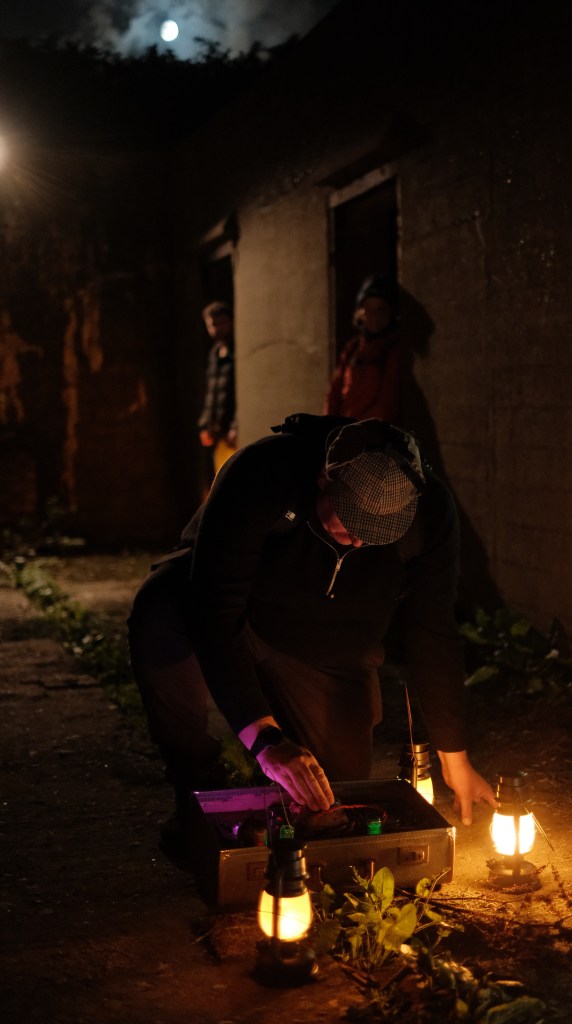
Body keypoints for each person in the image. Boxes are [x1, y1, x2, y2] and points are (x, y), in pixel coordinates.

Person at [128, 413, 496, 835]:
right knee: (161, 607)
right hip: (240, 608)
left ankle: (277, 784)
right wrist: (266, 739)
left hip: (327, 649)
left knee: (334, 796)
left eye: (377, 531)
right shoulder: (262, 473)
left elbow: (433, 631)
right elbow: (215, 611)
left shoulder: (431, 512)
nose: (360, 540)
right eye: (351, 520)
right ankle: (198, 786)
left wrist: (456, 757)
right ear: (324, 478)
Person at [324, 274, 402, 423]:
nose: (374, 316)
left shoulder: (393, 348)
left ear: (391, 313)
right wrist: (327, 427)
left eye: (381, 310)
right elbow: (334, 393)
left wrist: (358, 433)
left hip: (368, 437)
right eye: (368, 309)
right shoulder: (352, 348)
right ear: (361, 312)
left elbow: (388, 402)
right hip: (343, 434)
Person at [197, 300, 237, 497]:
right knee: (220, 481)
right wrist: (206, 424)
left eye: (220, 323)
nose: (215, 329)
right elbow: (211, 392)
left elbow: (239, 389)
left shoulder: (238, 351)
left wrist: (236, 425)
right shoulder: (214, 354)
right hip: (218, 431)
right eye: (211, 324)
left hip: (232, 432)